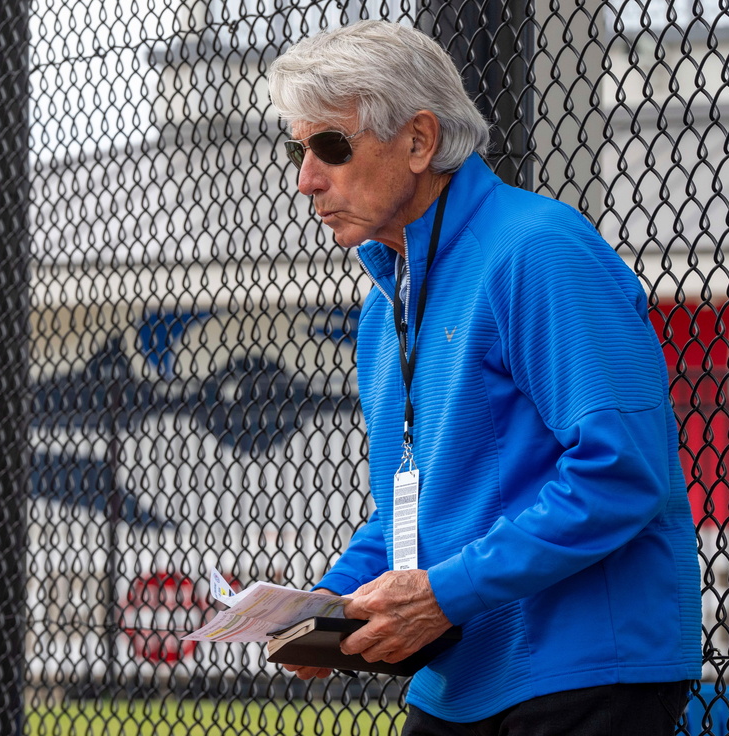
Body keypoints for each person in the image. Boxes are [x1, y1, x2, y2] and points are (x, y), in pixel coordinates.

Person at [266, 19, 702, 735]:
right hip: (462, 677)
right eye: (299, 149)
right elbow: (417, 503)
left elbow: (622, 470)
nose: (306, 179)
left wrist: (445, 594)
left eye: (331, 148)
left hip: (582, 670)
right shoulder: (387, 307)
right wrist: (327, 606)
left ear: (419, 140)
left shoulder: (538, 251)